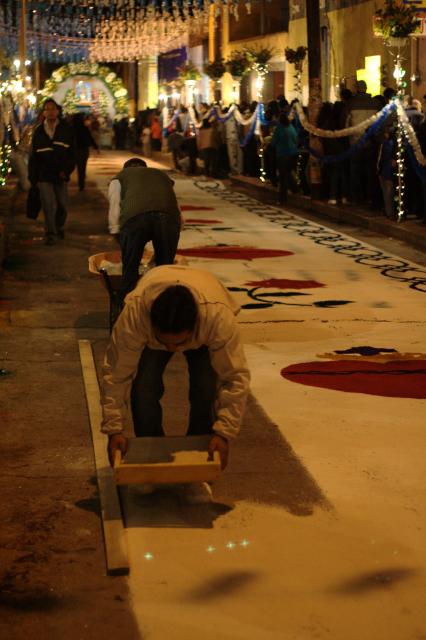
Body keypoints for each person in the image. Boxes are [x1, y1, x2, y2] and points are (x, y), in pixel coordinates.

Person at [101, 265, 251, 503]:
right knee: (144, 390)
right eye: (165, 342)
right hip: (155, 305)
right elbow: (116, 374)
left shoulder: (216, 319)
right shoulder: (135, 316)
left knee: (204, 389)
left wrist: (224, 433)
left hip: (207, 297)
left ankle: (197, 470)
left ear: (194, 328)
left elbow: (235, 377)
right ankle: (151, 462)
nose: (172, 349)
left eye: (179, 342)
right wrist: (114, 429)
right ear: (152, 325)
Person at [108, 157, 182, 302]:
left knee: (130, 269)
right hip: (168, 219)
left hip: (135, 219)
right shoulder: (161, 176)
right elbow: (173, 203)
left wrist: (116, 231)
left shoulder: (120, 177)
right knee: (165, 269)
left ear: (125, 169)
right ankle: (164, 305)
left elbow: (115, 205)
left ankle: (128, 305)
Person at [28, 98, 75, 245]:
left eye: (53, 108)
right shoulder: (39, 132)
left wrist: (66, 171)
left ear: (58, 111)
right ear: (43, 112)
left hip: (60, 175)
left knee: (62, 205)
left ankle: (59, 226)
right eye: (47, 109)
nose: (50, 111)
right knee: (48, 205)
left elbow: (72, 154)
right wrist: (33, 178)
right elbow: (33, 156)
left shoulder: (66, 130)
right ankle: (51, 233)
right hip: (44, 175)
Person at [270, 112, 299, 204]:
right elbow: (296, 139)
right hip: (293, 154)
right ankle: (295, 189)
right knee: (289, 172)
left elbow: (274, 142)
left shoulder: (279, 129)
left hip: (282, 154)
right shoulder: (291, 127)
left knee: (283, 177)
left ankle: (282, 198)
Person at [72, 112, 99, 191]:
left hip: (75, 150)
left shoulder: (72, 128)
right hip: (83, 150)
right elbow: (90, 138)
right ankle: (82, 183)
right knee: (82, 167)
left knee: (77, 166)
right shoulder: (84, 128)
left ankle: (80, 181)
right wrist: (95, 147)